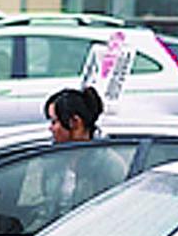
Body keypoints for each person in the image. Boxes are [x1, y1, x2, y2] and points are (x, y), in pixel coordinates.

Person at [41, 87, 129, 216]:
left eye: (54, 122)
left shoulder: (108, 165)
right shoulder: (54, 160)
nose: (51, 128)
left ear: (75, 122)